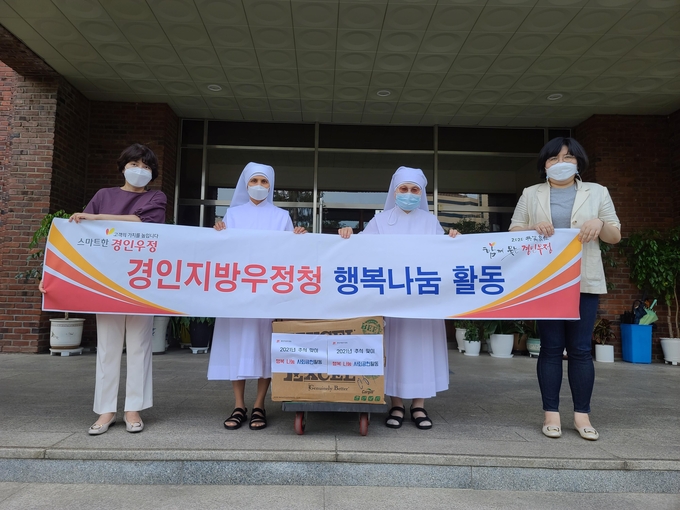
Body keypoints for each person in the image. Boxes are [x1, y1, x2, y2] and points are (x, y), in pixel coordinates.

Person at [40, 143, 167, 435]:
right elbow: (77, 239)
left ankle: (134, 408)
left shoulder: (156, 197)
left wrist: (97, 218)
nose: (140, 170)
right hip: (105, 283)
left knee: (139, 347)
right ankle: (106, 410)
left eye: (146, 167)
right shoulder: (103, 196)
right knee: (107, 348)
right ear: (123, 167)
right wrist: (53, 276)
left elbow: (143, 223)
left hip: (140, 283)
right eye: (134, 164)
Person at [509, 137, 621, 441]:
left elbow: (614, 235)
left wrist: (600, 224)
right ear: (544, 164)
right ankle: (551, 414)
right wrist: (532, 229)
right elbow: (514, 232)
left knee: (581, 349)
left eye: (568, 157)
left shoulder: (597, 192)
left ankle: (582, 416)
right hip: (546, 282)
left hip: (584, 280)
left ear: (579, 162)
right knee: (550, 347)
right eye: (553, 158)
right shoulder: (531, 193)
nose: (561, 163)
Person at [339, 166, 458, 430]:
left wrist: (454, 240)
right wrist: (347, 235)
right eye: (403, 188)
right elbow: (361, 249)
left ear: (421, 192)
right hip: (392, 300)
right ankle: (396, 404)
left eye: (414, 189)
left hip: (422, 300)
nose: (409, 193)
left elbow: (445, 256)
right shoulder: (380, 221)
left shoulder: (430, 221)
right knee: (394, 350)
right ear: (395, 191)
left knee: (422, 349)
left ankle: (418, 405)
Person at [208, 162, 306, 431]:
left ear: (271, 186)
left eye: (264, 182)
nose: (259, 186)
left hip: (268, 292)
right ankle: (239, 404)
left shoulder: (281, 216)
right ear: (246, 184)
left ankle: (260, 404)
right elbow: (223, 252)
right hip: (238, 293)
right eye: (254, 181)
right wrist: (218, 234)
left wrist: (299, 236)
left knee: (265, 346)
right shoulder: (233, 215)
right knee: (237, 344)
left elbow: (290, 254)